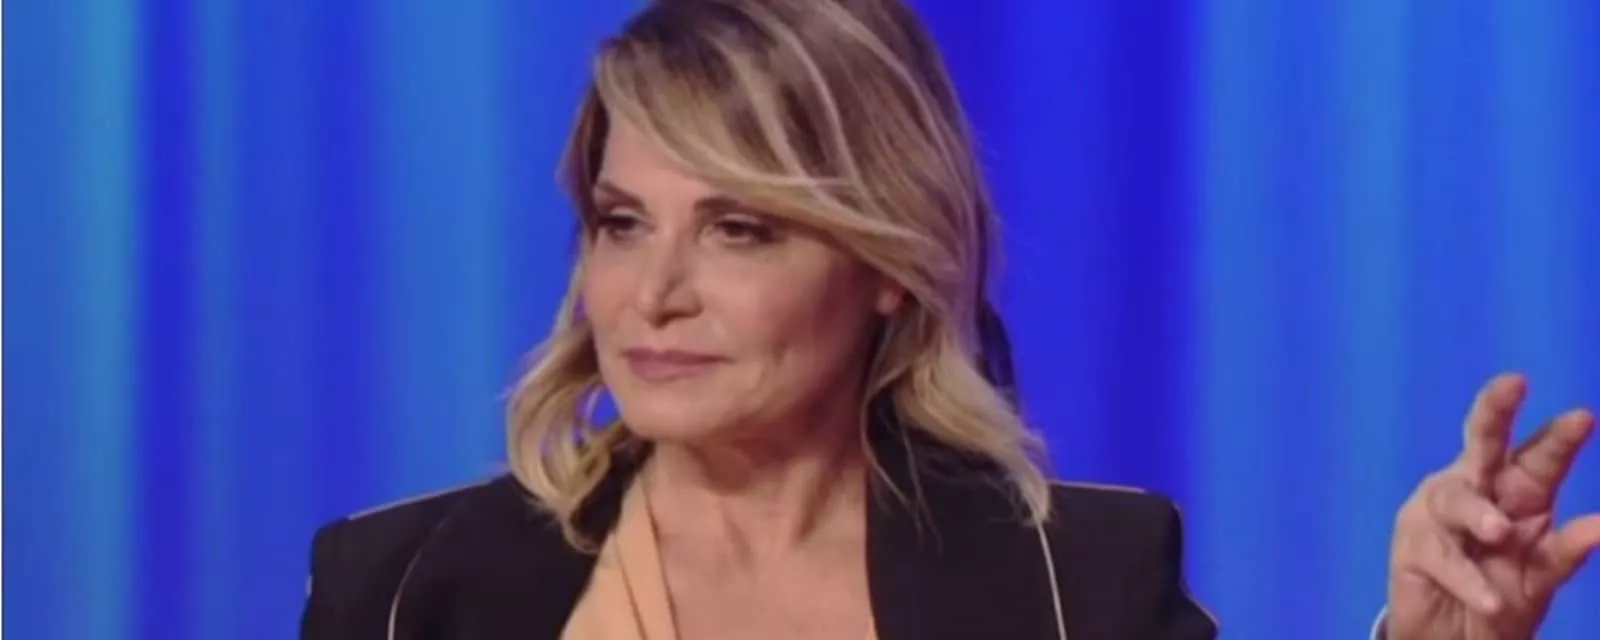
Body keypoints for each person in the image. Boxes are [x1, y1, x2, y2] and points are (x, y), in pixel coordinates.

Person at [298, 0, 1600, 638]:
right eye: (622, 222)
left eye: (740, 229)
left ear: (888, 260)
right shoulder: (401, 590)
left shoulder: (1083, 586)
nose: (655, 293)